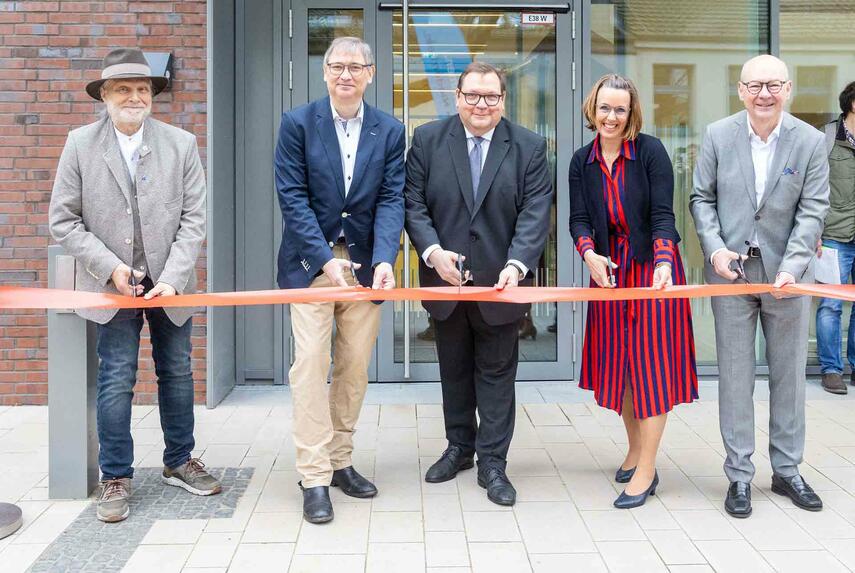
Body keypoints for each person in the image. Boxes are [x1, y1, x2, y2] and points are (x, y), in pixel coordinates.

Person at [49, 48, 217, 523]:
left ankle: (179, 460)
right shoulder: (79, 143)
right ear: (104, 95)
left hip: (171, 284)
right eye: (123, 89)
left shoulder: (181, 143)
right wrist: (110, 268)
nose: (134, 97)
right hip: (110, 286)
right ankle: (115, 475)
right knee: (117, 378)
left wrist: (171, 279)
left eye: (143, 89)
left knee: (178, 374)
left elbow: (193, 221)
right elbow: (63, 220)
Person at [405, 62, 552, 506]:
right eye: (473, 95)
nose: (481, 104)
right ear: (457, 96)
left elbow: (535, 213)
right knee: (453, 371)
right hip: (445, 284)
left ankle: (493, 462)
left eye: (490, 96)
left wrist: (517, 264)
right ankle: (458, 448)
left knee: (496, 375)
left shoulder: (528, 146)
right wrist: (432, 252)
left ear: (503, 100)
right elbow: (413, 204)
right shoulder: (428, 140)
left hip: (501, 285)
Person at [690, 55, 829, 518]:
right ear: (740, 90)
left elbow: (813, 210)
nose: (763, 93)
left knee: (789, 378)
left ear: (788, 88)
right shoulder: (717, 134)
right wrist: (714, 249)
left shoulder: (810, 141)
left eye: (772, 85)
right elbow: (701, 197)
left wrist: (791, 267)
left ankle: (787, 470)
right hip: (731, 275)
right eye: (754, 85)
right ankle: (739, 476)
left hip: (788, 280)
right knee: (734, 377)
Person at [274, 37, 405, 523]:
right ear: (325, 72)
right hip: (311, 267)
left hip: (368, 265)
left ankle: (341, 459)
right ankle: (313, 475)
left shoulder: (389, 130)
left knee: (352, 367)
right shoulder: (297, 124)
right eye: (337, 66)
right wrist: (325, 260)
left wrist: (388, 258)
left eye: (355, 66)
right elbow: (292, 197)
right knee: (310, 364)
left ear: (370, 73)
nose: (346, 74)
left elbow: (392, 199)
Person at [569, 74, 698, 509]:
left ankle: (647, 469)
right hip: (608, 272)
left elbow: (664, 214)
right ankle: (635, 449)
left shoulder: (651, 152)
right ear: (593, 108)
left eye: (619, 109)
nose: (611, 116)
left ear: (631, 113)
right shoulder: (581, 161)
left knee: (652, 369)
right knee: (620, 367)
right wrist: (588, 254)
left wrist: (664, 261)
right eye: (604, 107)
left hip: (652, 270)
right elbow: (579, 220)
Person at [816, 81, 855, 395]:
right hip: (833, 234)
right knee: (831, 304)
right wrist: (814, 232)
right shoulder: (826, 138)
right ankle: (831, 370)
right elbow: (812, 190)